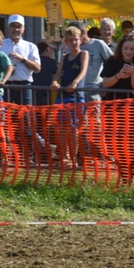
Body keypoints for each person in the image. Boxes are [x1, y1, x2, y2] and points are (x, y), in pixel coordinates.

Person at [51, 27, 90, 168]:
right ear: (66, 42)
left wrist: (75, 82)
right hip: (62, 96)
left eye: (76, 39)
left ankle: (73, 159)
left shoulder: (83, 54)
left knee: (73, 129)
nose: (74, 42)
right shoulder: (65, 57)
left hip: (76, 97)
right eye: (71, 40)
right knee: (61, 128)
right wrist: (55, 82)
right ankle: (65, 157)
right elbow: (58, 73)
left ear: (81, 40)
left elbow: (83, 71)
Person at [0, 14, 40, 105]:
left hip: (24, 86)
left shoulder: (31, 47)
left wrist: (23, 59)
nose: (16, 29)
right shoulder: (0, 45)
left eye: (19, 27)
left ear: (23, 29)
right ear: (8, 28)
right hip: (5, 86)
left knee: (26, 113)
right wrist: (6, 69)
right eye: (13, 26)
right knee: (3, 113)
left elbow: (37, 68)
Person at [100, 34, 134, 99]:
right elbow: (105, 84)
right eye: (125, 48)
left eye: (132, 49)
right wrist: (119, 76)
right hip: (112, 100)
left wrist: (133, 73)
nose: (128, 52)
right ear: (121, 48)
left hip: (132, 101)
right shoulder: (112, 60)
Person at [78, 24, 113, 101]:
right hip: (76, 91)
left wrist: (106, 82)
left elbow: (113, 62)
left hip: (94, 90)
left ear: (82, 32)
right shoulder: (71, 46)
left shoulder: (98, 44)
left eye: (75, 34)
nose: (73, 40)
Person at [32, 40, 58, 105]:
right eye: (50, 51)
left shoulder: (32, 61)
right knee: (44, 109)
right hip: (45, 91)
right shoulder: (51, 62)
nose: (50, 54)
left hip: (32, 90)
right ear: (45, 51)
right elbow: (57, 74)